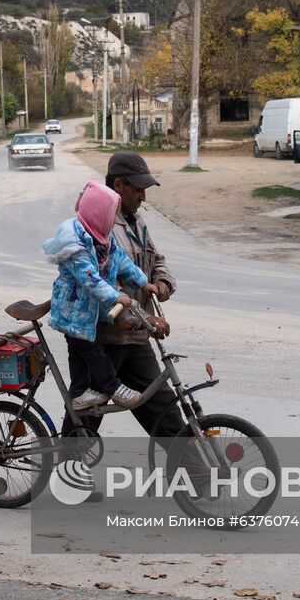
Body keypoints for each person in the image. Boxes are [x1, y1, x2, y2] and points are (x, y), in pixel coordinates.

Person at [73, 150, 186, 441]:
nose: (143, 197)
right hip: (106, 339)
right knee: (83, 424)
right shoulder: (98, 226)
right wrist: (143, 315)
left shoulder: (138, 222)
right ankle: (69, 480)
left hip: (136, 338)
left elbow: (156, 258)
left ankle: (198, 479)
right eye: (138, 190)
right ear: (118, 185)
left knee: (167, 416)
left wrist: (162, 282)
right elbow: (103, 285)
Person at [42, 181, 166, 411]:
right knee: (92, 351)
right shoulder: (75, 245)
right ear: (98, 216)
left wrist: (143, 282)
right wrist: (115, 297)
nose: (113, 221)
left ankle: (79, 394)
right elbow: (89, 277)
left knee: (80, 353)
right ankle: (113, 388)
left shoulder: (103, 240)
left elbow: (121, 262)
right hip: (74, 311)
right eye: (110, 216)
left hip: (85, 312)